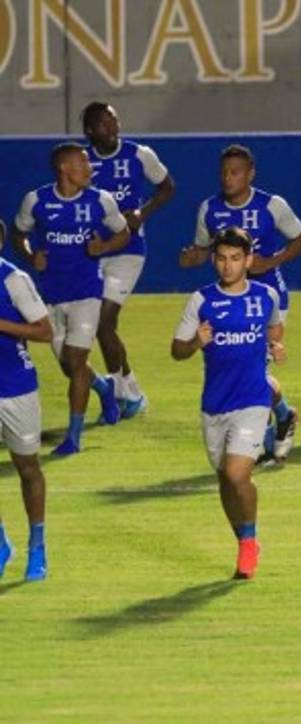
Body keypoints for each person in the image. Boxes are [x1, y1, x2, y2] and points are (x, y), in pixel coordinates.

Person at [179, 144, 301, 462]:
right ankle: (282, 415)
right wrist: (191, 257)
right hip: (228, 298)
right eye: (224, 171)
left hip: (266, 298)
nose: (228, 178)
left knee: (255, 370)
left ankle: (259, 441)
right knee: (243, 369)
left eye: (235, 172)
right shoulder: (209, 209)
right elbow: (203, 248)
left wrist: (272, 261)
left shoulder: (271, 205)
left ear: (250, 174)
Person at [172, 227, 284, 580]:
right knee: (224, 480)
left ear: (248, 260)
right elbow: (177, 350)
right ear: (214, 259)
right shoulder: (201, 300)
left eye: (235, 259)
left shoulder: (266, 296)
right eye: (221, 258)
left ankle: (249, 545)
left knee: (238, 474)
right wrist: (196, 343)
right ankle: (244, 540)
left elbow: (275, 328)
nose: (227, 266)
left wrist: (274, 347)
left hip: (252, 399)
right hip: (214, 405)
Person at [12, 142, 130, 456]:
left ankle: (74, 438)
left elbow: (124, 232)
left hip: (86, 295)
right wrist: (29, 255)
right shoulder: (36, 200)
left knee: (76, 361)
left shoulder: (100, 201)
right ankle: (104, 389)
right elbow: (17, 231)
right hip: (49, 297)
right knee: (69, 366)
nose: (90, 168)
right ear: (65, 169)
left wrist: (103, 248)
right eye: (83, 163)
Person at [82, 101, 175, 418]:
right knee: (100, 327)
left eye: (115, 121)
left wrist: (142, 214)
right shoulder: (82, 163)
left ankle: (126, 396)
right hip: (94, 253)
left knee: (104, 323)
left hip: (128, 251)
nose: (113, 127)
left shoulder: (139, 154)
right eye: (105, 123)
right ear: (90, 130)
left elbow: (167, 187)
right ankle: (128, 393)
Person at [0, 220, 54, 581]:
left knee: (28, 468)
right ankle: (1, 543)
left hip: (16, 388)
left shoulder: (13, 279)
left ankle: (38, 545)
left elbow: (44, 331)